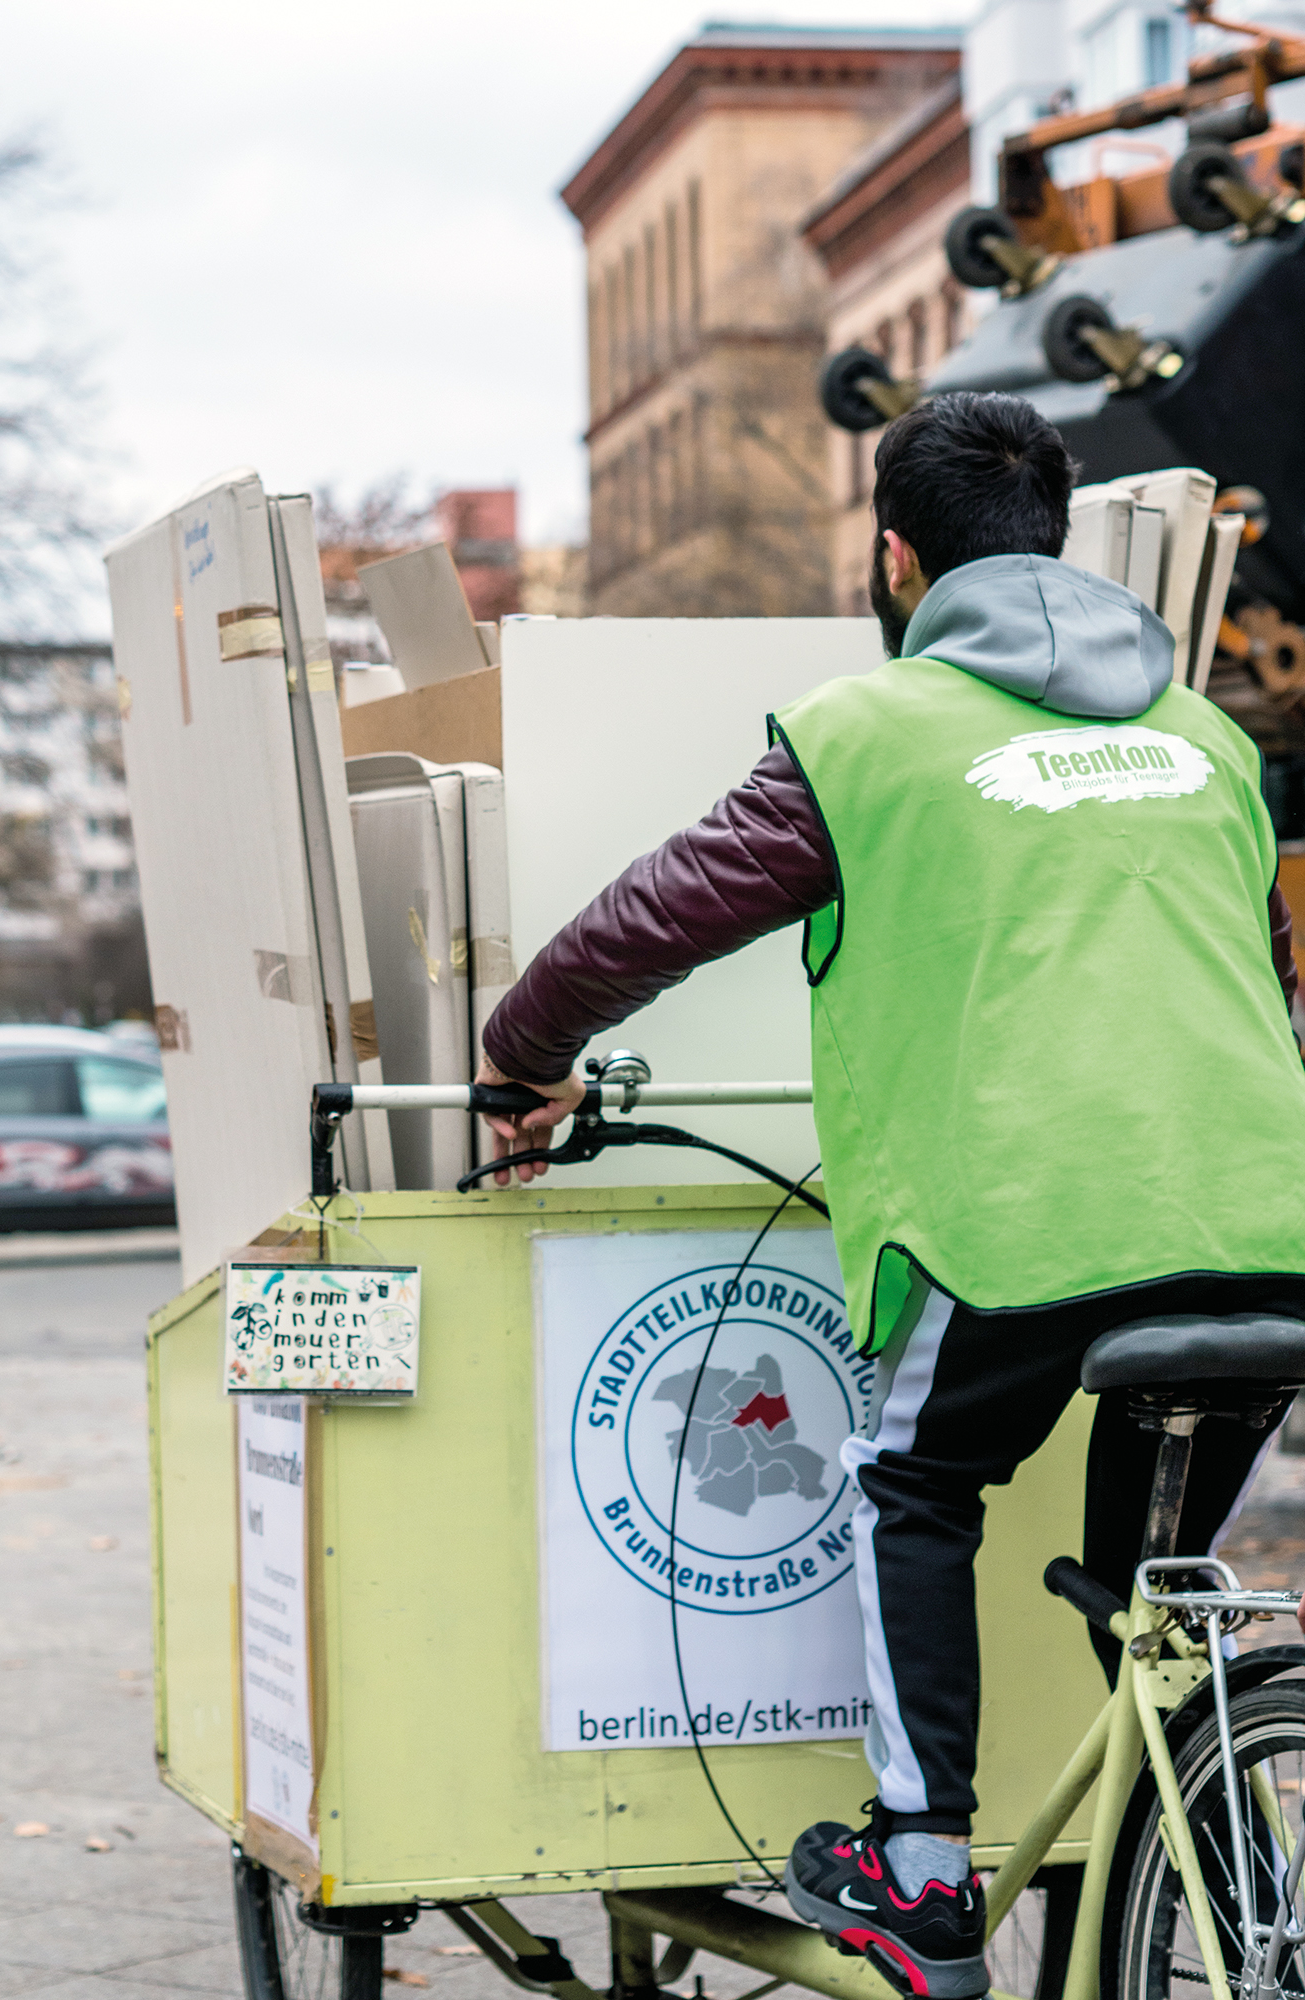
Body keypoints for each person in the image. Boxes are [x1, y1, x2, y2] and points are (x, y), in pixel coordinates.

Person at [475, 392, 1305, 2000]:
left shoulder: (863, 739)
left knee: (914, 1481)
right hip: (1267, 1228)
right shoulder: (1207, 742)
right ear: (1057, 550)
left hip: (1013, 1228)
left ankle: (922, 1869)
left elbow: (645, 924)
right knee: (1149, 1602)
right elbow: (1265, 981)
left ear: (895, 556)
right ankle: (1226, 1859)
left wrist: (523, 1064)